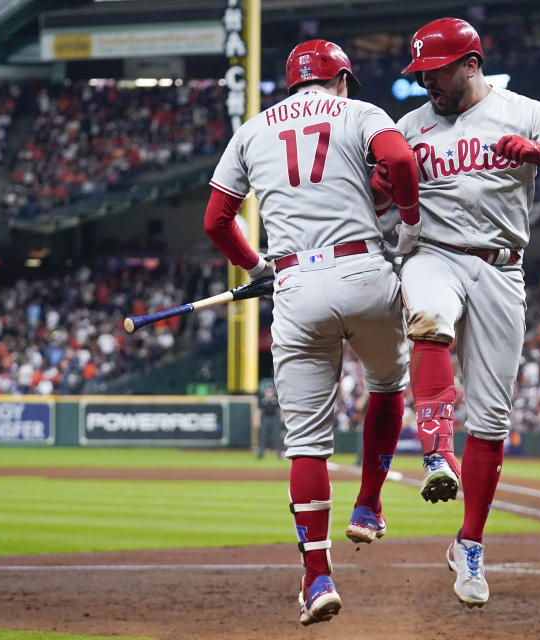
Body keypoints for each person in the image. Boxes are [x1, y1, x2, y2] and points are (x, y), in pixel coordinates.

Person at [371, 18, 540, 607]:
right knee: (428, 319)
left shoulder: (525, 112)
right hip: (433, 252)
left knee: (494, 421)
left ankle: (468, 542)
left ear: (471, 65)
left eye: (437, 72)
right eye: (420, 74)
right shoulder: (409, 126)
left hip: (502, 268)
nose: (428, 84)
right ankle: (436, 452)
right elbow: (374, 197)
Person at [203, 39, 422, 625]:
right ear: (342, 78)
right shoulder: (361, 113)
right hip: (364, 270)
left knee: (306, 444)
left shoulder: (251, 130)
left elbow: (216, 221)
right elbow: (401, 163)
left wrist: (256, 268)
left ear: (292, 82)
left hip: (297, 284)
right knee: (385, 384)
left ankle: (318, 574)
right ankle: (370, 505)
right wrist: (408, 227)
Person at [256, 384, 283, 459]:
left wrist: (281, 418)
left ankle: (279, 453)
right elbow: (258, 411)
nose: (269, 393)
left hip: (274, 419)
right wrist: (257, 420)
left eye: (270, 392)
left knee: (277, 436)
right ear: (265, 393)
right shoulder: (262, 401)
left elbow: (280, 410)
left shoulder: (276, 400)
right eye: (267, 392)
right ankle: (260, 453)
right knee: (262, 436)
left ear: (273, 392)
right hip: (265, 419)